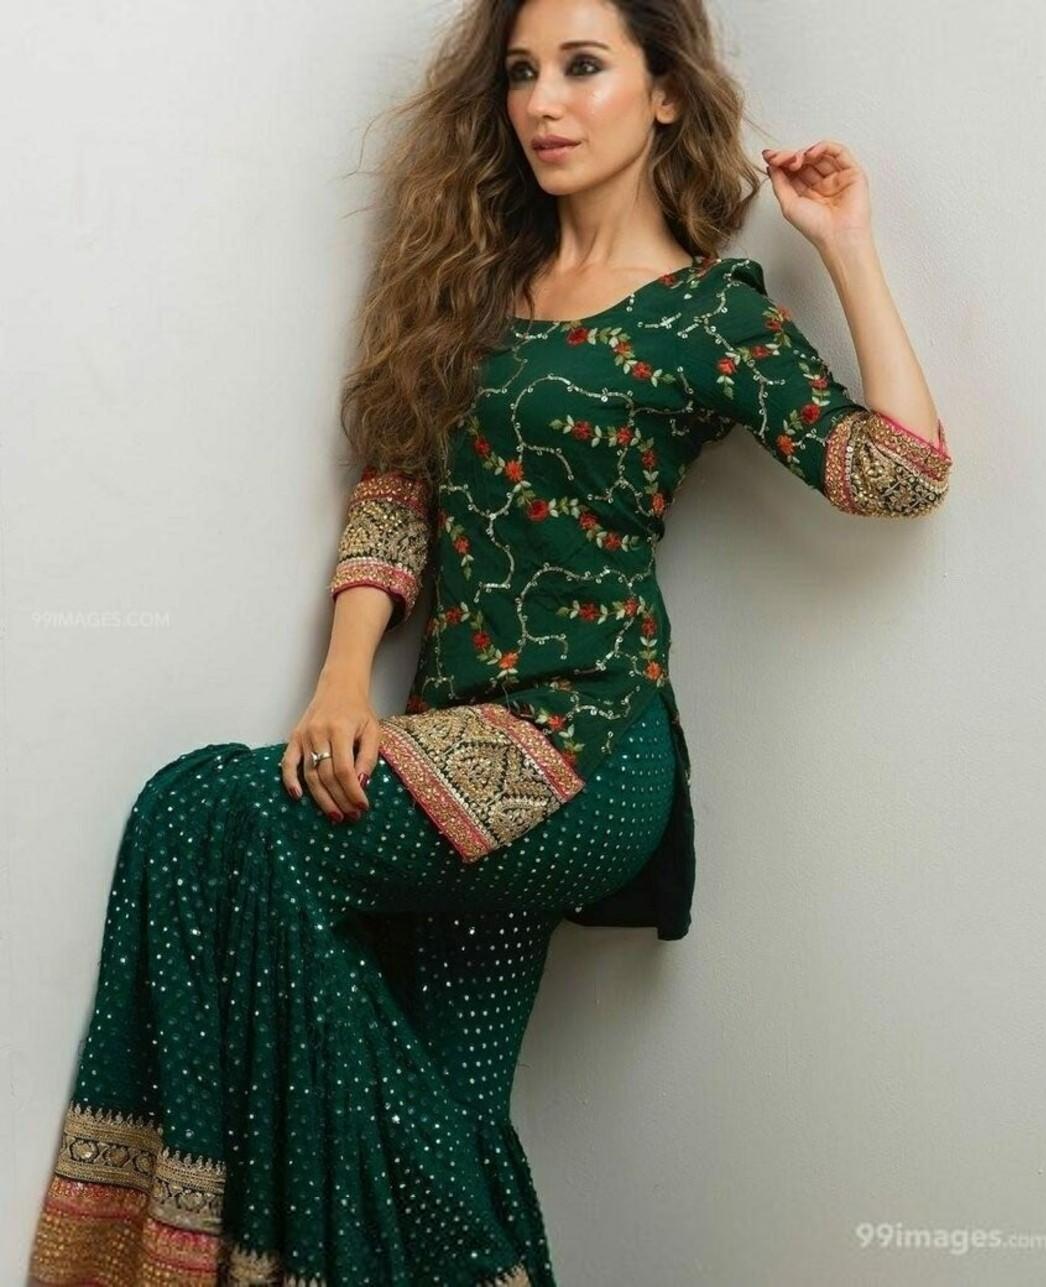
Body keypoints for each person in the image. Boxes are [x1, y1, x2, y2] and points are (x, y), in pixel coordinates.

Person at [27, 0, 953, 1283]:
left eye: (583, 67)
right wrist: (343, 679)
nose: (543, 103)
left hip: (585, 749)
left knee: (205, 813)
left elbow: (900, 477)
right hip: (450, 733)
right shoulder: (470, 289)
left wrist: (846, 244)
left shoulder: (706, 315)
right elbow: (395, 491)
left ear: (666, 92)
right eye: (522, 73)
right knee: (450, 1098)